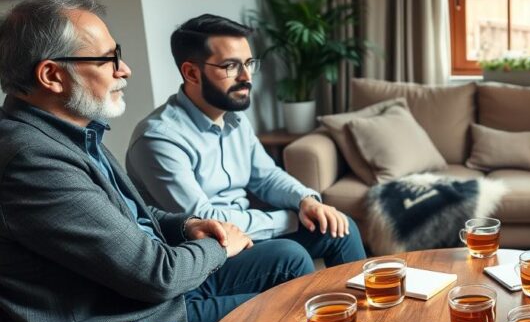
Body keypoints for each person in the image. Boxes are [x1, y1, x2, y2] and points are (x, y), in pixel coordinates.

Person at [0, 0, 315, 322]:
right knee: (285, 316)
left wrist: (187, 225)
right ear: (52, 75)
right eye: (109, 59)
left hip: (142, 304)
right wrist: (222, 247)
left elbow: (130, 214)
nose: (124, 70)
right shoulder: (32, 160)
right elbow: (156, 274)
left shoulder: (70, 133)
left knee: (288, 259)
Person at [126, 14, 366, 267]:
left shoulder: (234, 119)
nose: (246, 77)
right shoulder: (158, 139)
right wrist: (290, 218)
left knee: (340, 227)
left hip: (245, 232)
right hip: (206, 252)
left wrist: (304, 200)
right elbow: (207, 219)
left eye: (249, 63)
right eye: (231, 66)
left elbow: (266, 176)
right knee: (288, 256)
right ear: (192, 73)